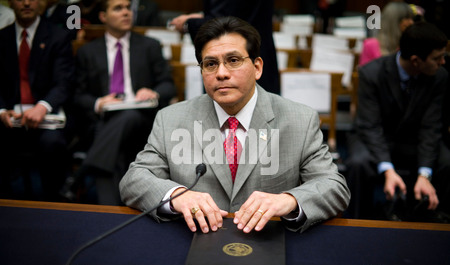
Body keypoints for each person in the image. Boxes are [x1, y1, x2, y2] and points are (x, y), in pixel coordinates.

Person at [119, 16, 350, 234]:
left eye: (233, 61)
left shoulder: (299, 119)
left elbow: (334, 187)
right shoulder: (171, 119)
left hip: (269, 244)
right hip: (194, 242)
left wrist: (288, 200)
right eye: (210, 64)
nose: (221, 73)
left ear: (257, 67)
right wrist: (176, 195)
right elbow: (134, 180)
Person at [63, 0, 176, 205]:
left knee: (128, 116)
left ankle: (80, 175)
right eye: (118, 8)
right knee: (114, 144)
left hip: (140, 120)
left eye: (127, 8)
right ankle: (115, 209)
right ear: (103, 17)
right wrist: (99, 102)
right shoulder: (88, 52)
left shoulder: (149, 46)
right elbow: (77, 95)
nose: (126, 12)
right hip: (101, 119)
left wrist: (153, 92)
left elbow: (168, 85)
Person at [345, 21, 449, 221]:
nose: (443, 62)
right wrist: (388, 169)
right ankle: (358, 222)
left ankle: (435, 222)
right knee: (359, 163)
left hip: (413, 140)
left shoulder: (440, 77)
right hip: (374, 136)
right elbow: (370, 126)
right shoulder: (371, 73)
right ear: (416, 61)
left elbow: (431, 127)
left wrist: (424, 174)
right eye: (437, 58)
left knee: (446, 162)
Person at [0, 0, 75, 201]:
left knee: (53, 143)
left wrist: (42, 107)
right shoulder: (2, 37)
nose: (26, 2)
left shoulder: (59, 36)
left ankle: (53, 202)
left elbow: (63, 83)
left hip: (47, 118)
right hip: (9, 118)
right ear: (10, 3)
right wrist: (0, 110)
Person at [169, 0, 280, 95]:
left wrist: (187, 24)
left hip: (240, 53)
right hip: (262, 51)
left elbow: (220, 24)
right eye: (210, 64)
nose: (222, 74)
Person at [359, 2, 414, 66]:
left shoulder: (409, 46)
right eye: (407, 18)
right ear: (394, 21)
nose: (411, 22)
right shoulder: (370, 45)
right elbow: (365, 74)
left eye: (412, 18)